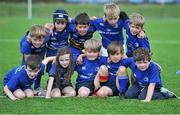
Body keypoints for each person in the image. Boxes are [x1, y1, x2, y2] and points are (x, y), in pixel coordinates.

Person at [20, 24, 50, 89]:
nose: (37, 42)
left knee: (40, 69)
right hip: (29, 52)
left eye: (40, 40)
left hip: (40, 52)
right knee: (26, 68)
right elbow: (28, 61)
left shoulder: (47, 35)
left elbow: (48, 25)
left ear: (44, 38)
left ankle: (37, 86)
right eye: (35, 40)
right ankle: (25, 86)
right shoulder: (26, 43)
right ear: (30, 38)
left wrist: (52, 27)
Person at [46, 8, 70, 72]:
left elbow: (76, 21)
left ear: (66, 23)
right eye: (58, 23)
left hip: (63, 56)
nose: (60, 26)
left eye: (62, 23)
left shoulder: (68, 29)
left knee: (63, 73)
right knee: (51, 73)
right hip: (51, 55)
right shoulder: (49, 30)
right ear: (54, 23)